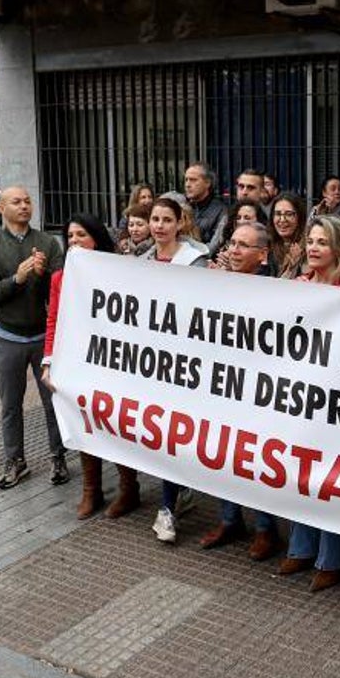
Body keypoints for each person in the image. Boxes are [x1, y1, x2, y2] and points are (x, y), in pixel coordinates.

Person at [278, 215, 340, 592]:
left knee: (329, 481)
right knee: (298, 474)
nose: (312, 248)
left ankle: (333, 559)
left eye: (322, 242)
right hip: (299, 396)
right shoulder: (296, 287)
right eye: (310, 241)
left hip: (337, 401)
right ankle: (301, 547)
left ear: (339, 249)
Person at [41, 214, 139, 520]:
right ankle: (91, 490)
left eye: (81, 235)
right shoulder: (60, 277)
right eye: (69, 236)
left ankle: (128, 488)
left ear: (96, 238)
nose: (74, 242)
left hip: (113, 361)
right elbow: (54, 318)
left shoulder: (119, 272)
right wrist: (49, 362)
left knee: (116, 423)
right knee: (85, 421)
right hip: (78, 360)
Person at [196, 221, 285, 560]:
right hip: (220, 385)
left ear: (262, 256)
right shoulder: (218, 284)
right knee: (221, 454)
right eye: (232, 243)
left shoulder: (277, 294)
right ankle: (230, 519)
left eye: (243, 246)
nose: (234, 250)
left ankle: (266, 529)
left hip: (256, 391)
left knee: (252, 461)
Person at [0, 186, 67, 490]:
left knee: (53, 401)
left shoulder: (47, 242)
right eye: (16, 202)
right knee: (10, 405)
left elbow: (60, 292)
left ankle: (59, 455)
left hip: (44, 336)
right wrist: (16, 279)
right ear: (1, 208)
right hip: (8, 337)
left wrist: (41, 276)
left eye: (28, 201)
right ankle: (15, 460)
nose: (24, 206)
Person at [140, 197, 208, 542]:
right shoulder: (139, 261)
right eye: (154, 219)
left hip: (186, 363)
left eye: (167, 219)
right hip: (152, 363)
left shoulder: (196, 260)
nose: (160, 226)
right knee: (163, 436)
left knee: (174, 435)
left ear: (180, 223)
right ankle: (174, 495)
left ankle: (167, 505)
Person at [183, 162, 228, 245]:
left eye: (193, 180)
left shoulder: (220, 211)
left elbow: (216, 244)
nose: (187, 184)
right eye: (186, 180)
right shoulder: (183, 206)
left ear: (207, 183)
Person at [266, 192, 309, 278]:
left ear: (300, 217)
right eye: (278, 214)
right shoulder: (266, 246)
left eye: (289, 214)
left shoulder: (309, 247)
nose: (282, 219)